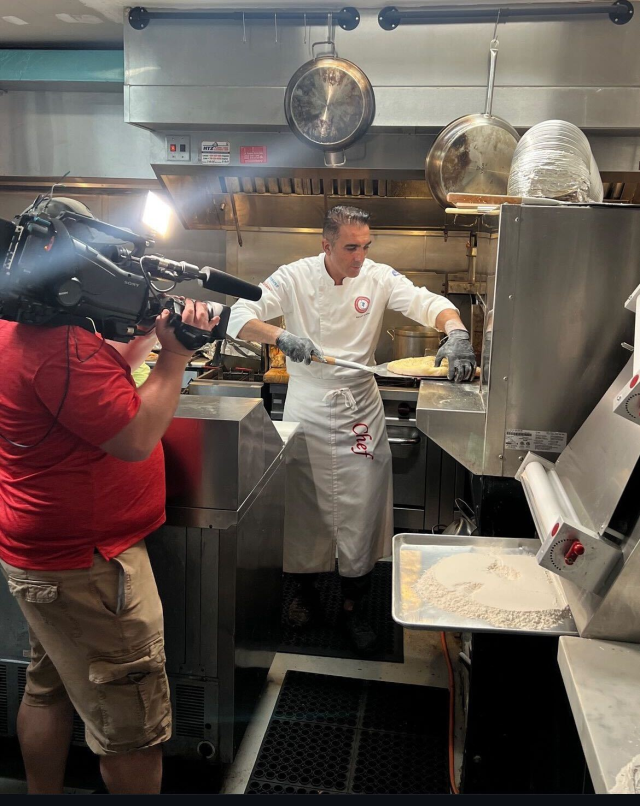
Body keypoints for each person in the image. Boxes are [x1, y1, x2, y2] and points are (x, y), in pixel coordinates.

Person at [0, 200, 218, 794]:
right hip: (90, 569)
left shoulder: (26, 327)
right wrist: (176, 356)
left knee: (46, 690)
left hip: (46, 555)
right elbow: (136, 438)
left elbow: (95, 380)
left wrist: (145, 336)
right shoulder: (60, 350)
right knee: (132, 729)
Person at [227, 205, 476, 655]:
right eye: (350, 248)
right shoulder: (294, 276)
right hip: (307, 407)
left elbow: (428, 303)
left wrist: (455, 331)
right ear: (326, 245)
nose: (360, 256)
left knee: (362, 507)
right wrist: (280, 337)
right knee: (303, 507)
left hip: (360, 405)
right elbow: (238, 315)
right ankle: (303, 596)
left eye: (365, 246)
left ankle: (354, 607)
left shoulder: (378, 277)